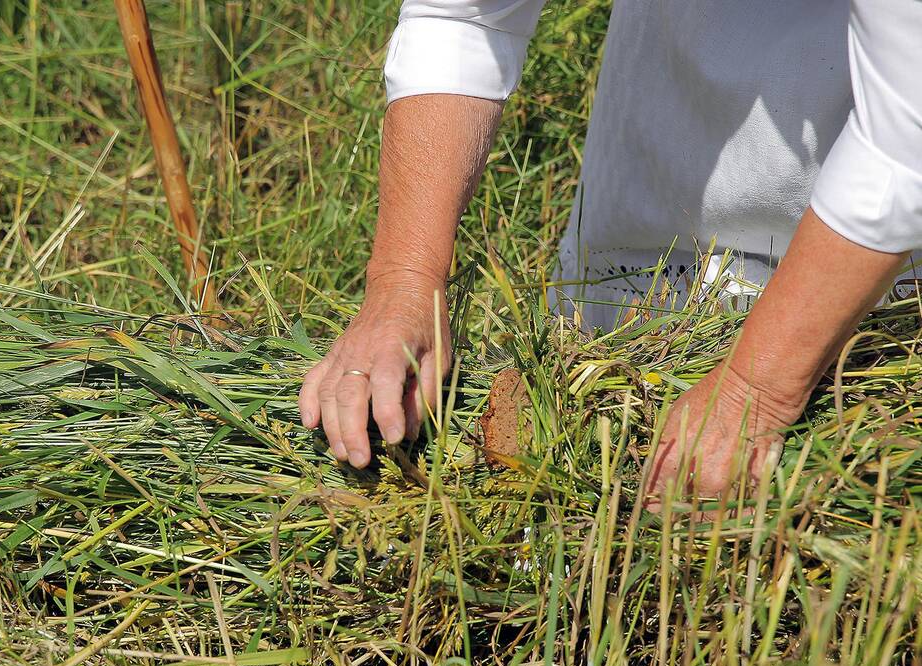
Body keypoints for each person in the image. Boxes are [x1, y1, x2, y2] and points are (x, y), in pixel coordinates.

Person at [298, 0, 922, 506]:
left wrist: (757, 389)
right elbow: (463, 17)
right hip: (641, 205)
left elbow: (904, 147)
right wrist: (404, 282)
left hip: (866, 288)